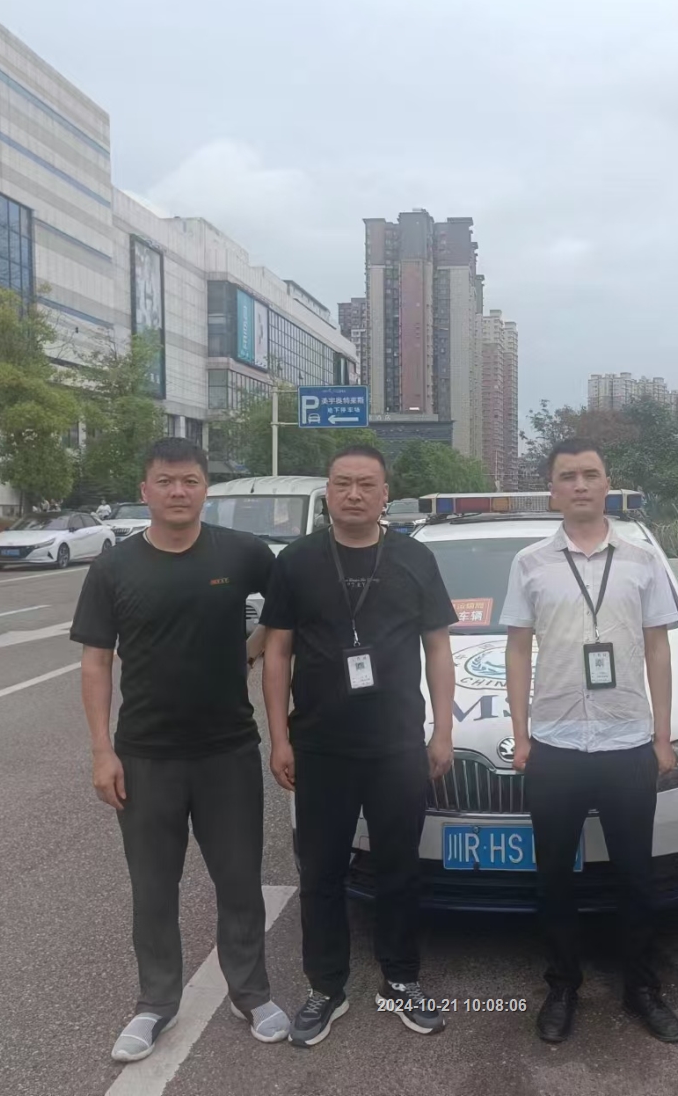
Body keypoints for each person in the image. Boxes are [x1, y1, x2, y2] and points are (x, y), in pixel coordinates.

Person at [70, 438, 286, 1064]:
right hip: (145, 755)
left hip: (227, 751)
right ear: (145, 491)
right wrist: (101, 751)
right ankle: (155, 1003)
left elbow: (289, 613)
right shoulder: (114, 568)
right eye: (165, 481)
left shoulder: (241, 553)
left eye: (189, 481)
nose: (178, 492)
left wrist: (252, 649)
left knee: (239, 882)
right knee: (153, 888)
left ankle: (252, 993)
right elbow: (95, 662)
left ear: (205, 488)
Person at [261, 444, 457, 1048]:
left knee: (399, 869)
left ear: (384, 494)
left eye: (366, 484)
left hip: (397, 745)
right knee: (321, 872)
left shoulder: (415, 558)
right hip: (320, 745)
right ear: (327, 492)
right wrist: (279, 737)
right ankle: (326, 988)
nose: (353, 494)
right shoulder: (297, 561)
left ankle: (402, 980)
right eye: (342, 483)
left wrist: (442, 731)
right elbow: (277, 652)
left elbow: (438, 648)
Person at [502, 438, 678, 1046]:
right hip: (554, 743)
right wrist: (521, 735)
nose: (579, 485)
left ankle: (641, 988)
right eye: (567, 476)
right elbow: (517, 648)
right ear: (552, 490)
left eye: (590, 474)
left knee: (635, 875)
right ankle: (562, 986)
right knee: (554, 876)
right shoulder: (530, 562)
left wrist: (662, 737)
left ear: (607, 484)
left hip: (627, 741)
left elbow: (658, 648)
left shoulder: (641, 560)